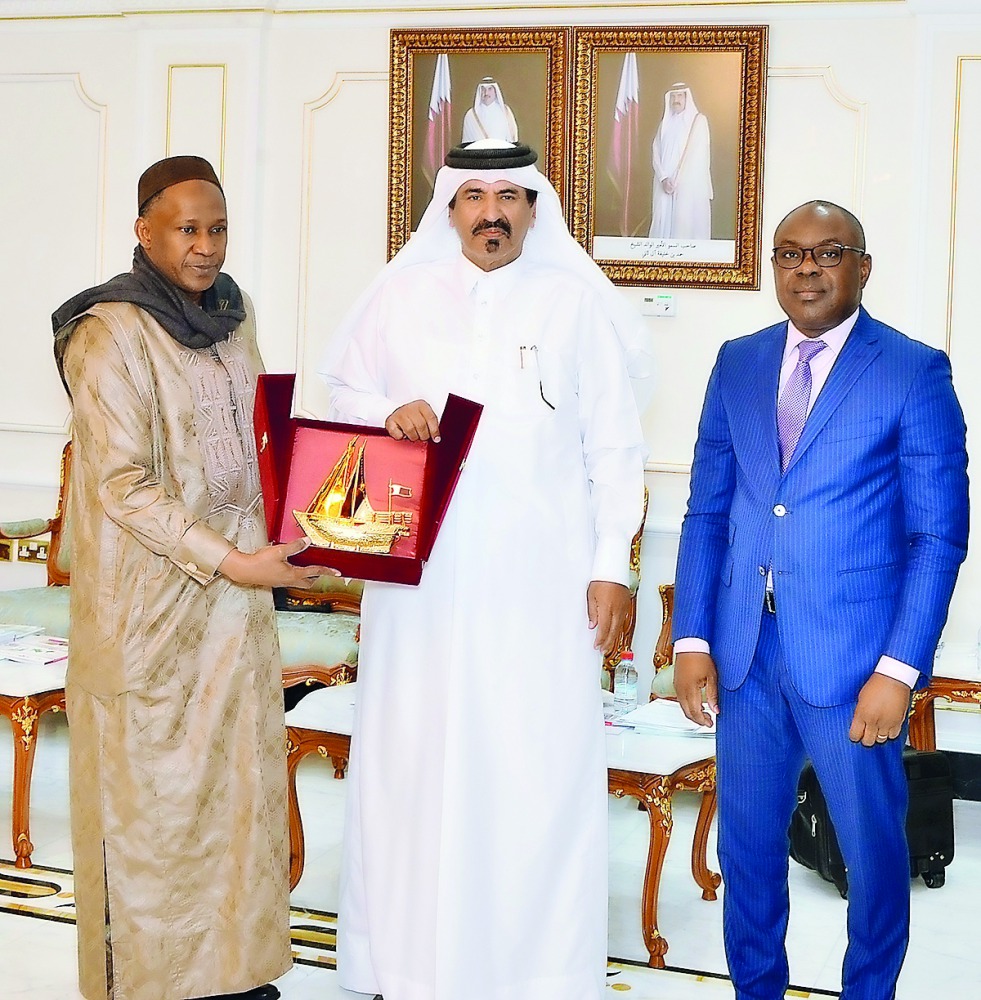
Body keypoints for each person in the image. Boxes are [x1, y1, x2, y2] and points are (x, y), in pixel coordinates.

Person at [319, 139, 652, 1000]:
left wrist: (609, 568)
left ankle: (533, 968)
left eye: (510, 195)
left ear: (534, 210)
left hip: (539, 586)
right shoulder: (396, 297)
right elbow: (338, 396)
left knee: (532, 762)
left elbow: (615, 450)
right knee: (412, 756)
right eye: (474, 196)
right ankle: (406, 959)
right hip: (419, 586)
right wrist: (383, 411)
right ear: (449, 209)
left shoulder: (575, 307)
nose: (492, 212)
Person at [52, 155, 336, 1000]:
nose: (205, 247)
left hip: (235, 613)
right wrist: (233, 559)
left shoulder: (229, 315)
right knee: (155, 817)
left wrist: (302, 528)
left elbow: (255, 444)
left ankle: (234, 978)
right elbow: (120, 485)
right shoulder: (108, 330)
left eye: (216, 229)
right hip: (148, 614)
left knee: (232, 801)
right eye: (186, 229)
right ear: (145, 231)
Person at [672, 200, 969, 1000]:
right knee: (747, 857)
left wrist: (898, 669)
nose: (806, 268)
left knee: (873, 862)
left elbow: (937, 538)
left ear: (861, 269)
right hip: (745, 658)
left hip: (854, 666)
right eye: (788, 254)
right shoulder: (736, 361)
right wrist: (692, 640)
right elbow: (707, 511)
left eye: (828, 252)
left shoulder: (911, 369)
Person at [648, 83, 712, 240]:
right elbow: (655, 152)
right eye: (673, 96)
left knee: (685, 228)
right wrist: (663, 178)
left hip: (687, 187)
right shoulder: (664, 125)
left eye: (680, 96)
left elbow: (698, 157)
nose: (676, 100)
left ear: (686, 97)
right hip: (664, 185)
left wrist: (677, 180)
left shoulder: (698, 122)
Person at [461, 77, 519, 143]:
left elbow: (512, 140)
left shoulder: (506, 112)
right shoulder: (471, 115)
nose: (486, 93)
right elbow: (466, 143)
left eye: (490, 89)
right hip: (478, 153)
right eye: (483, 89)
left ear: (495, 91)